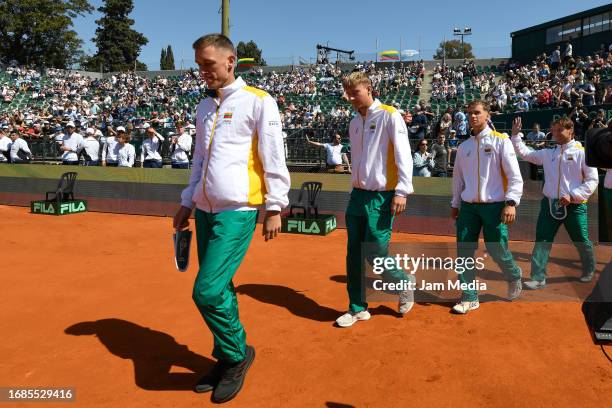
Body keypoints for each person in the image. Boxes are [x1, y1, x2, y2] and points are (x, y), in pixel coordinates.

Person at [172, 34, 290, 403]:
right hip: (205, 211)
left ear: (230, 61)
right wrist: (187, 202)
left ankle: (237, 355)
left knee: (206, 290)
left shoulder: (259, 101)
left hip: (237, 211)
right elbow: (199, 161)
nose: (202, 71)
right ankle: (226, 356)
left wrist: (274, 206)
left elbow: (273, 155)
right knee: (220, 289)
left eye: (208, 64)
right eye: (199, 65)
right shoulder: (204, 106)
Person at [336, 71, 414, 328]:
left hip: (383, 195)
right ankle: (357, 307)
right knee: (354, 255)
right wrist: (352, 189)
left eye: (355, 93)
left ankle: (404, 282)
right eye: (348, 94)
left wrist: (402, 190)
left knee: (376, 253)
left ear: (369, 88)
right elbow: (358, 161)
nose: (351, 99)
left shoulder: (390, 115)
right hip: (357, 195)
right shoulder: (354, 122)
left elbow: (404, 155)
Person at [450, 100, 524, 314]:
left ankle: (513, 274)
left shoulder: (501, 141)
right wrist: (455, 203)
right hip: (468, 207)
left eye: (477, 112)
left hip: (495, 207)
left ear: (487, 115)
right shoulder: (464, 147)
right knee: (464, 251)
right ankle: (469, 296)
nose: (473, 117)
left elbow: (514, 176)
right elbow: (458, 179)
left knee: (497, 250)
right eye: (469, 113)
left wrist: (511, 202)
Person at [511, 116, 598, 287]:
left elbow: (592, 180)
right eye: (554, 130)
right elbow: (525, 153)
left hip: (575, 206)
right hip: (550, 204)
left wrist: (573, 195)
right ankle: (538, 277)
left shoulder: (582, 153)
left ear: (570, 130)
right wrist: (515, 135)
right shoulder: (548, 153)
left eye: (560, 130)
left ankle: (589, 268)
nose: (555, 133)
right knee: (543, 239)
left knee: (581, 240)